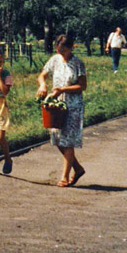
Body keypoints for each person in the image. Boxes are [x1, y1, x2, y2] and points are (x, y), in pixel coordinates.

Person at [37, 34, 88, 187]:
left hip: (72, 105)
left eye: (64, 51)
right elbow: (42, 75)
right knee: (57, 138)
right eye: (59, 50)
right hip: (56, 104)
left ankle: (65, 177)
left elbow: (82, 86)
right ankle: (78, 168)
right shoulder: (55, 59)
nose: (61, 53)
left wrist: (63, 89)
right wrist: (43, 85)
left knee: (68, 140)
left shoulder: (78, 63)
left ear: (71, 48)